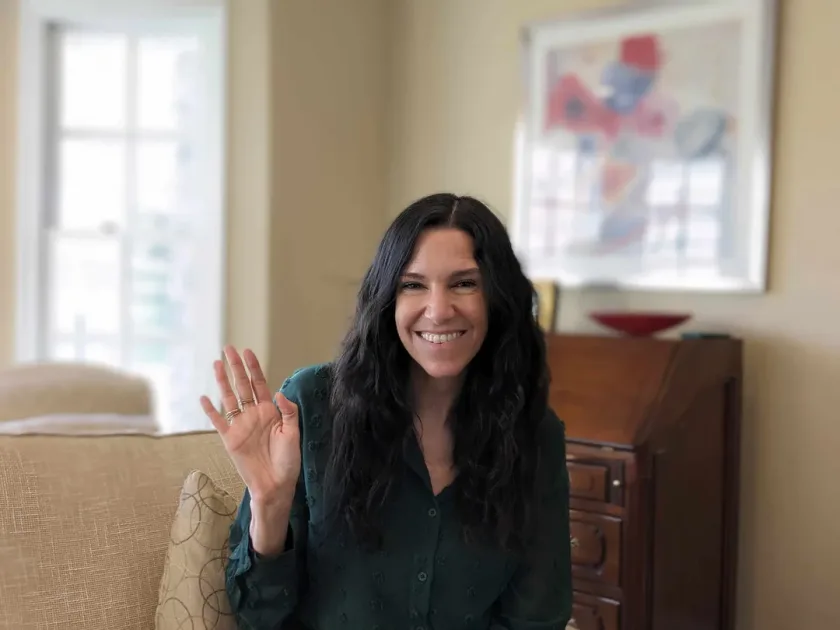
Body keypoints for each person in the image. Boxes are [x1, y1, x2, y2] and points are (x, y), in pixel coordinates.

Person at [201, 193, 573, 630]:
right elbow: (258, 616)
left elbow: (537, 617)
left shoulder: (536, 434)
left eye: (464, 283)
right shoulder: (311, 404)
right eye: (413, 285)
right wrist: (270, 505)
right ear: (387, 299)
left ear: (498, 298)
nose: (438, 310)